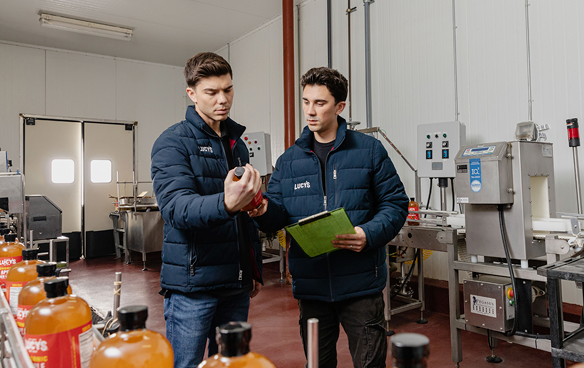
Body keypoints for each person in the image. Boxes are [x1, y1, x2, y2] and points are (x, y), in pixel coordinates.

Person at [249, 67, 409, 368]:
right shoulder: (289, 160)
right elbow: (278, 215)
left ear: (340, 106)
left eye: (320, 103)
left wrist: (367, 234)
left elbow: (395, 204)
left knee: (369, 365)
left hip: (361, 285)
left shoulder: (370, 151)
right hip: (312, 287)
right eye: (306, 101)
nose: (310, 111)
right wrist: (262, 210)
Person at [151, 52, 264, 368]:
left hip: (235, 283)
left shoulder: (237, 144)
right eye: (211, 92)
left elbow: (243, 216)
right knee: (186, 363)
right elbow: (176, 208)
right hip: (193, 288)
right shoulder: (173, 142)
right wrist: (226, 202)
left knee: (230, 363)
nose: (223, 100)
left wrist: (252, 267)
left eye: (228, 89)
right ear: (191, 94)